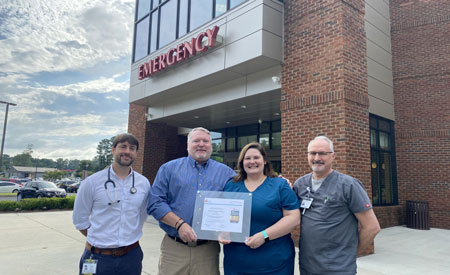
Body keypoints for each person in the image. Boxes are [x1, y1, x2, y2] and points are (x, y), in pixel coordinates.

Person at [147, 127, 236, 275]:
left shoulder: (226, 173)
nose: (201, 144)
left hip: (207, 250)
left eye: (205, 141)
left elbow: (240, 198)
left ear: (211, 145)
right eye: (196, 141)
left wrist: (274, 181)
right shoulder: (168, 169)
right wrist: (179, 224)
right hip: (174, 248)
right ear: (187, 145)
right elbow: (155, 203)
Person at [293, 136, 381, 275]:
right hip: (307, 266)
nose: (317, 157)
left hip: (338, 269)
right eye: (312, 153)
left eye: (322, 153)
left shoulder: (349, 185)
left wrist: (350, 254)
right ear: (307, 156)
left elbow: (372, 227)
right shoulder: (300, 185)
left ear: (333, 156)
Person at [73, 133, 151, 275]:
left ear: (136, 153)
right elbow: (80, 220)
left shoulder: (143, 183)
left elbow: (141, 216)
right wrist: (100, 239)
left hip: (131, 256)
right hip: (97, 257)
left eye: (132, 148)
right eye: (123, 147)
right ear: (113, 150)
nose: (127, 151)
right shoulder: (92, 182)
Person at [221, 142, 300, 275]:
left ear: (264, 160)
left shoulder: (280, 185)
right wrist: (222, 231)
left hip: (274, 263)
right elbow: (224, 218)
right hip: (236, 262)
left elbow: (294, 218)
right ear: (242, 162)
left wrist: (264, 236)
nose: (252, 162)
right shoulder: (231, 186)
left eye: (256, 157)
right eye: (247, 158)